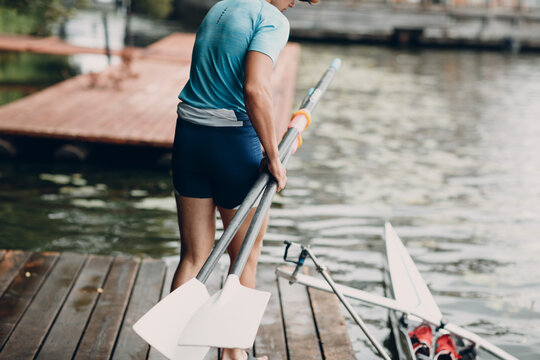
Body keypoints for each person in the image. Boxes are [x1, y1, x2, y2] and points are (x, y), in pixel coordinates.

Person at [170, 1, 319, 359]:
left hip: (188, 135)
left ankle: (176, 351)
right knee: (244, 259)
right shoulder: (271, 19)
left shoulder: (222, 6)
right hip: (233, 143)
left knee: (193, 256)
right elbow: (254, 89)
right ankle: (233, 355)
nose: (295, 3)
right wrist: (272, 155)